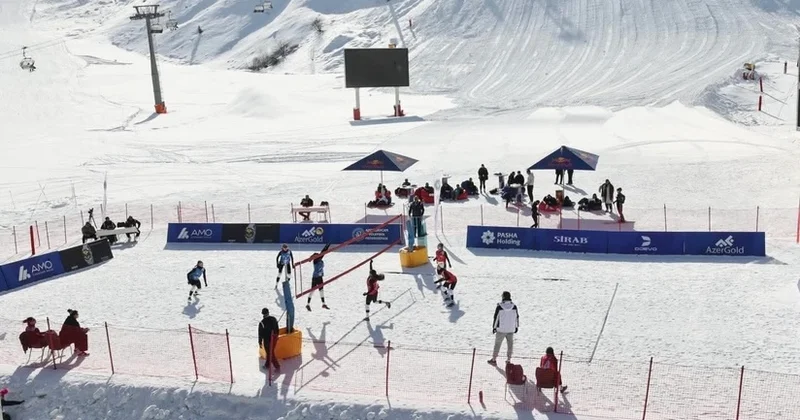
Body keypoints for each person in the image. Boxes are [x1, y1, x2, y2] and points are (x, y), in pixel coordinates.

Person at [488, 291, 518, 366]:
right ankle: (508, 359)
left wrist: (494, 327)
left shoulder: (500, 306)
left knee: (497, 344)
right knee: (510, 344)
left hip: (501, 329)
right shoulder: (514, 306)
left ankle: (494, 359)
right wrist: (516, 327)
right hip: (511, 329)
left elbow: (496, 318)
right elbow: (517, 317)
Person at [307, 244, 331, 311]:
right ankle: (308, 304)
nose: (318, 256)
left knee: (321, 291)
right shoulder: (315, 261)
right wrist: (326, 247)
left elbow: (322, 254)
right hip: (315, 277)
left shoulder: (320, 260)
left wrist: (327, 247)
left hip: (320, 277)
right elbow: (323, 253)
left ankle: (323, 304)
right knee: (312, 291)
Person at [258, 308, 280, 372]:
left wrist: (260, 342)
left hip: (267, 340)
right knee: (270, 352)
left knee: (270, 353)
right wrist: (276, 336)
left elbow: (260, 334)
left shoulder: (262, 323)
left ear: (263, 314)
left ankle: (277, 366)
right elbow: (277, 329)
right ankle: (267, 365)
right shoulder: (274, 319)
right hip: (274, 338)